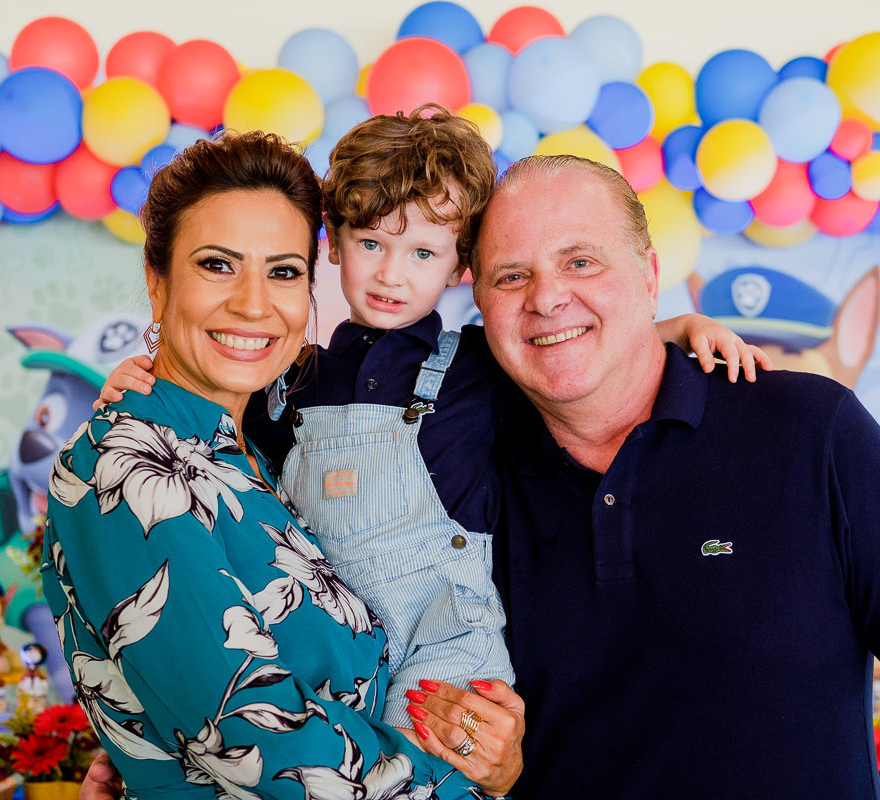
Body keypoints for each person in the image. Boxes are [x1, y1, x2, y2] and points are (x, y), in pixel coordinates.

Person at [99, 107, 769, 735]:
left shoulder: (479, 364)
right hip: (328, 635)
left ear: (459, 268)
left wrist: (681, 326)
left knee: (433, 774)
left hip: (446, 637)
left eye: (423, 253)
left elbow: (580, 343)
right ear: (332, 244)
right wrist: (142, 378)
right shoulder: (291, 378)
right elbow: (220, 458)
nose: (392, 275)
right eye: (371, 243)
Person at [457, 154, 880, 798]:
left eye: (581, 262)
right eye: (511, 276)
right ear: (480, 303)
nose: (546, 297)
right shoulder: (454, 473)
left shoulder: (813, 430)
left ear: (649, 276)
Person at [43, 130, 525, 799]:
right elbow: (256, 740)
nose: (253, 303)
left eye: (283, 271)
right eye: (217, 264)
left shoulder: (254, 456)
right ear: (157, 282)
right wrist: (469, 784)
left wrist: (489, 761)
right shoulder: (130, 465)